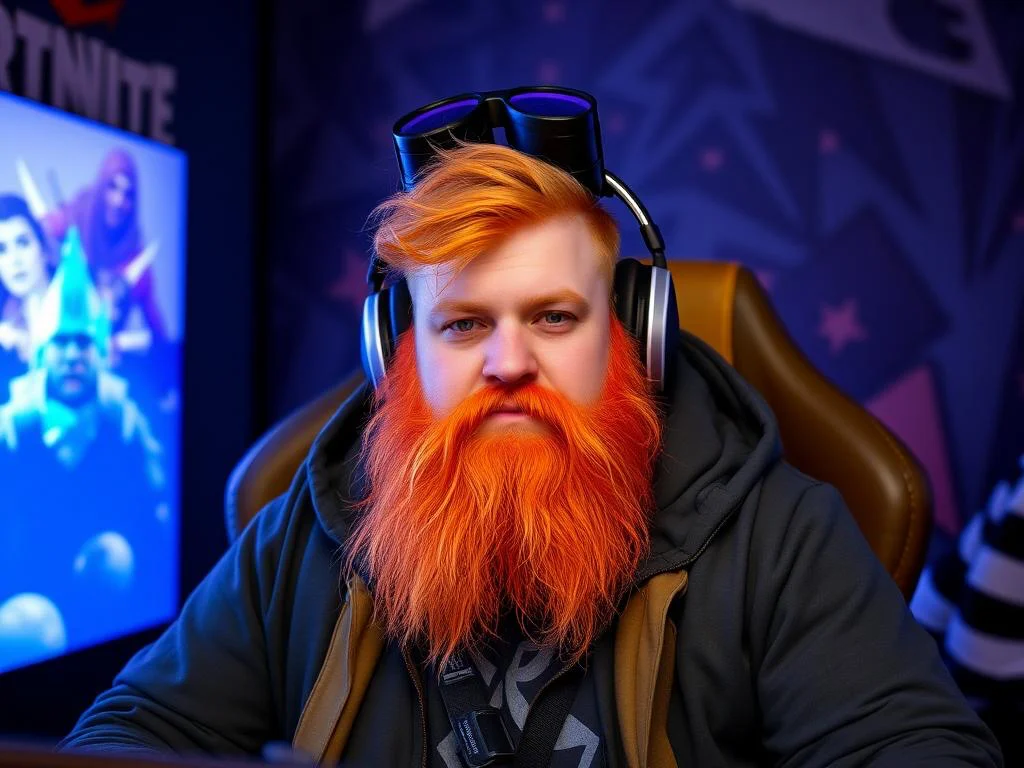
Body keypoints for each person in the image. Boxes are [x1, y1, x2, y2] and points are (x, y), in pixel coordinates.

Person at [61, 143, 1001, 766]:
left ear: (628, 334)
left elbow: (919, 752)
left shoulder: (778, 532)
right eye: (465, 323)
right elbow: (134, 735)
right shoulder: (309, 531)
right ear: (404, 353)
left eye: (554, 317)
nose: (510, 363)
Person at [0, 227, 168, 653]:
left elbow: (156, 511)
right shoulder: (12, 427)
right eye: (60, 343)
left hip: (109, 618)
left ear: (97, 353)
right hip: (25, 593)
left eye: (82, 343)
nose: (72, 355)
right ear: (41, 353)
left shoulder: (124, 421)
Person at [42, 148, 168, 360]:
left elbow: (159, 337)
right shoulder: (71, 220)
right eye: (113, 187)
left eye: (128, 194)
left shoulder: (136, 264)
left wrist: (120, 343)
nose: (119, 201)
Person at [0, 194, 51, 380]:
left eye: (22, 243)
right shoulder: (6, 337)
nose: (15, 260)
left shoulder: (83, 307)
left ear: (43, 247)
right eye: (2, 250)